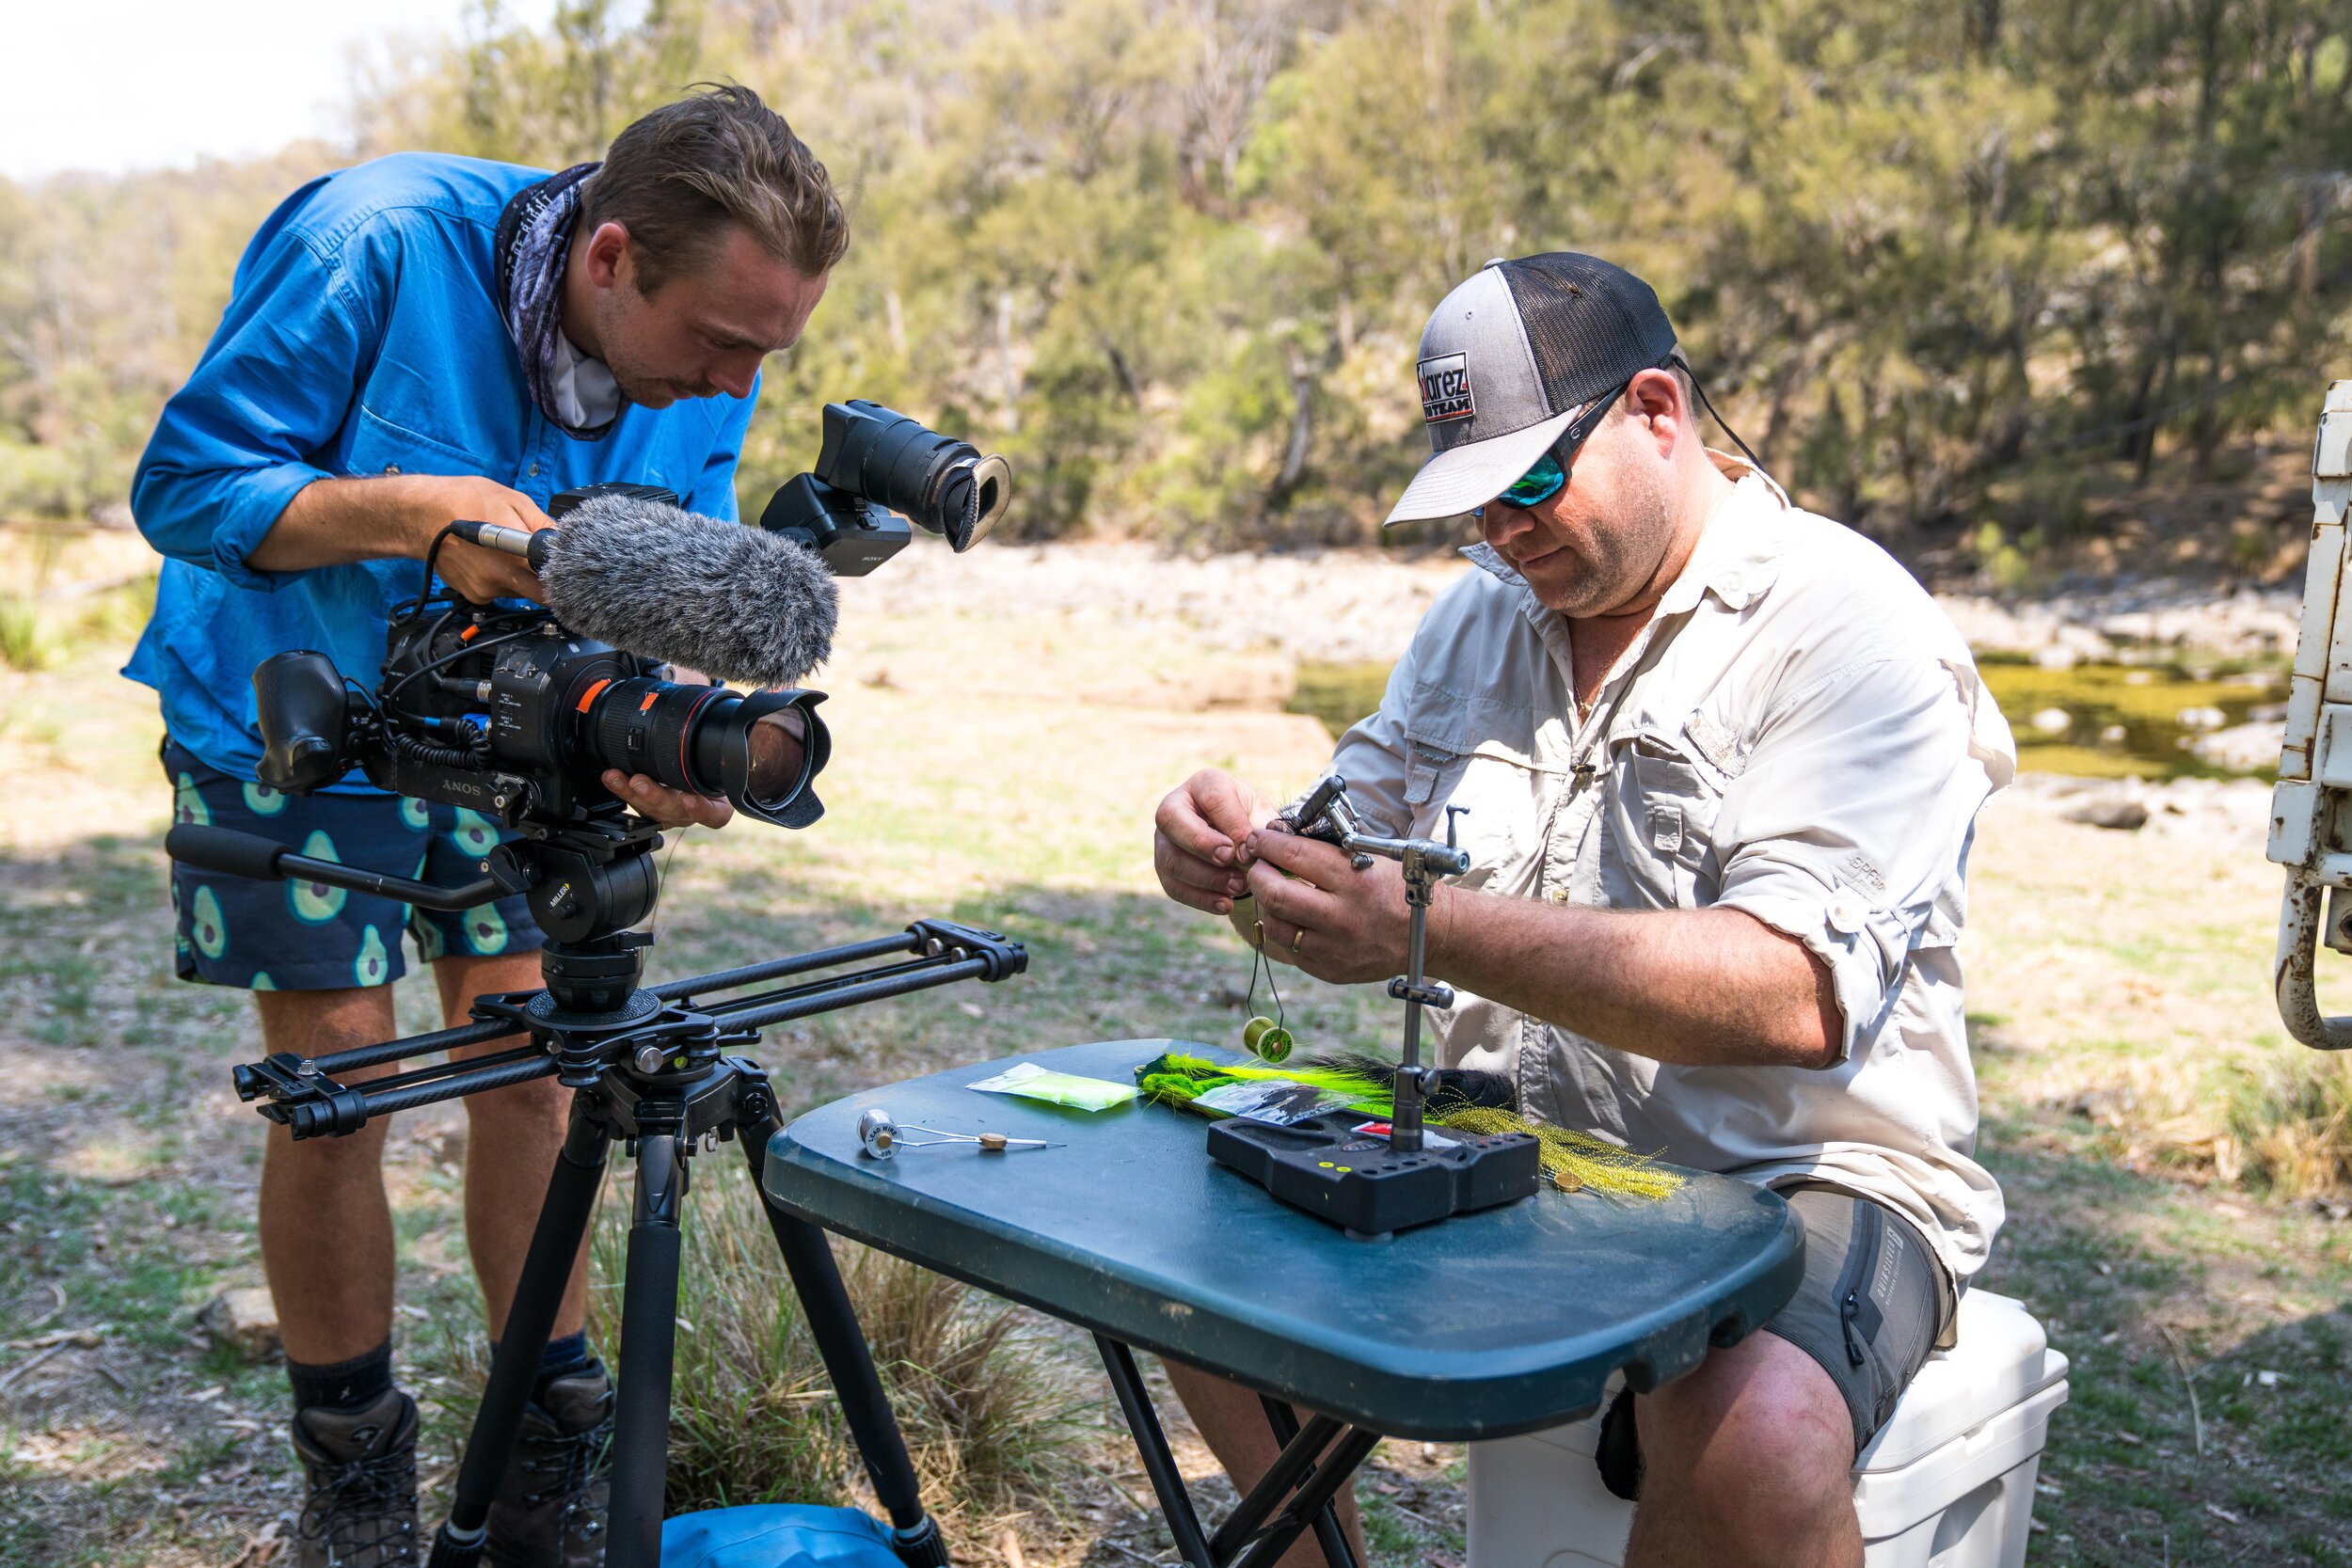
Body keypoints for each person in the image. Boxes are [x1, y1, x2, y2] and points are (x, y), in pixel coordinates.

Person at [1151, 253, 2012, 1568]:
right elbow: (1345, 854)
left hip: (1803, 1176)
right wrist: (1239, 864)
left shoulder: (1852, 629)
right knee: (1197, 1264)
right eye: (1473, 508)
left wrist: (1417, 928)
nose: (1502, 536)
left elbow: (1793, 993)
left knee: (1758, 1431)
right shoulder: (1478, 621)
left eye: (1530, 487)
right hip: (1505, 1140)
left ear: (1657, 411)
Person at [125, 86, 848, 1568]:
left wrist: (666, 733)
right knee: (337, 1082)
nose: (733, 379)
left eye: (764, 353)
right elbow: (185, 485)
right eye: (716, 342)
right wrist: (409, 517)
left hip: (522, 726)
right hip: (298, 711)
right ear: (607, 257)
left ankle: (543, 1452)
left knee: (537, 1071)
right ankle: (354, 1474)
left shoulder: (717, 343)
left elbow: (674, 577)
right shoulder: (375, 244)